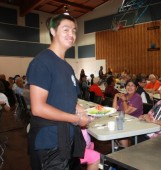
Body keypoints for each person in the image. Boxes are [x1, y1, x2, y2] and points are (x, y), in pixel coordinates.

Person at [26, 14, 93, 170]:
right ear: (53, 31)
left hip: (67, 140)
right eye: (66, 29)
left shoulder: (67, 67)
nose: (72, 34)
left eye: (74, 30)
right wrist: (76, 119)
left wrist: (81, 110)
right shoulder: (42, 62)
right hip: (49, 142)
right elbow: (38, 108)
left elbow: (68, 99)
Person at [113, 79, 143, 147]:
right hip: (124, 120)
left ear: (136, 88)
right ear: (125, 87)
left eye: (132, 86)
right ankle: (117, 147)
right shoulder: (125, 95)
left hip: (135, 122)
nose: (130, 87)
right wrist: (115, 96)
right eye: (128, 85)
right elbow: (114, 109)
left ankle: (124, 149)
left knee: (121, 129)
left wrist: (124, 101)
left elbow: (126, 112)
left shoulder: (137, 97)